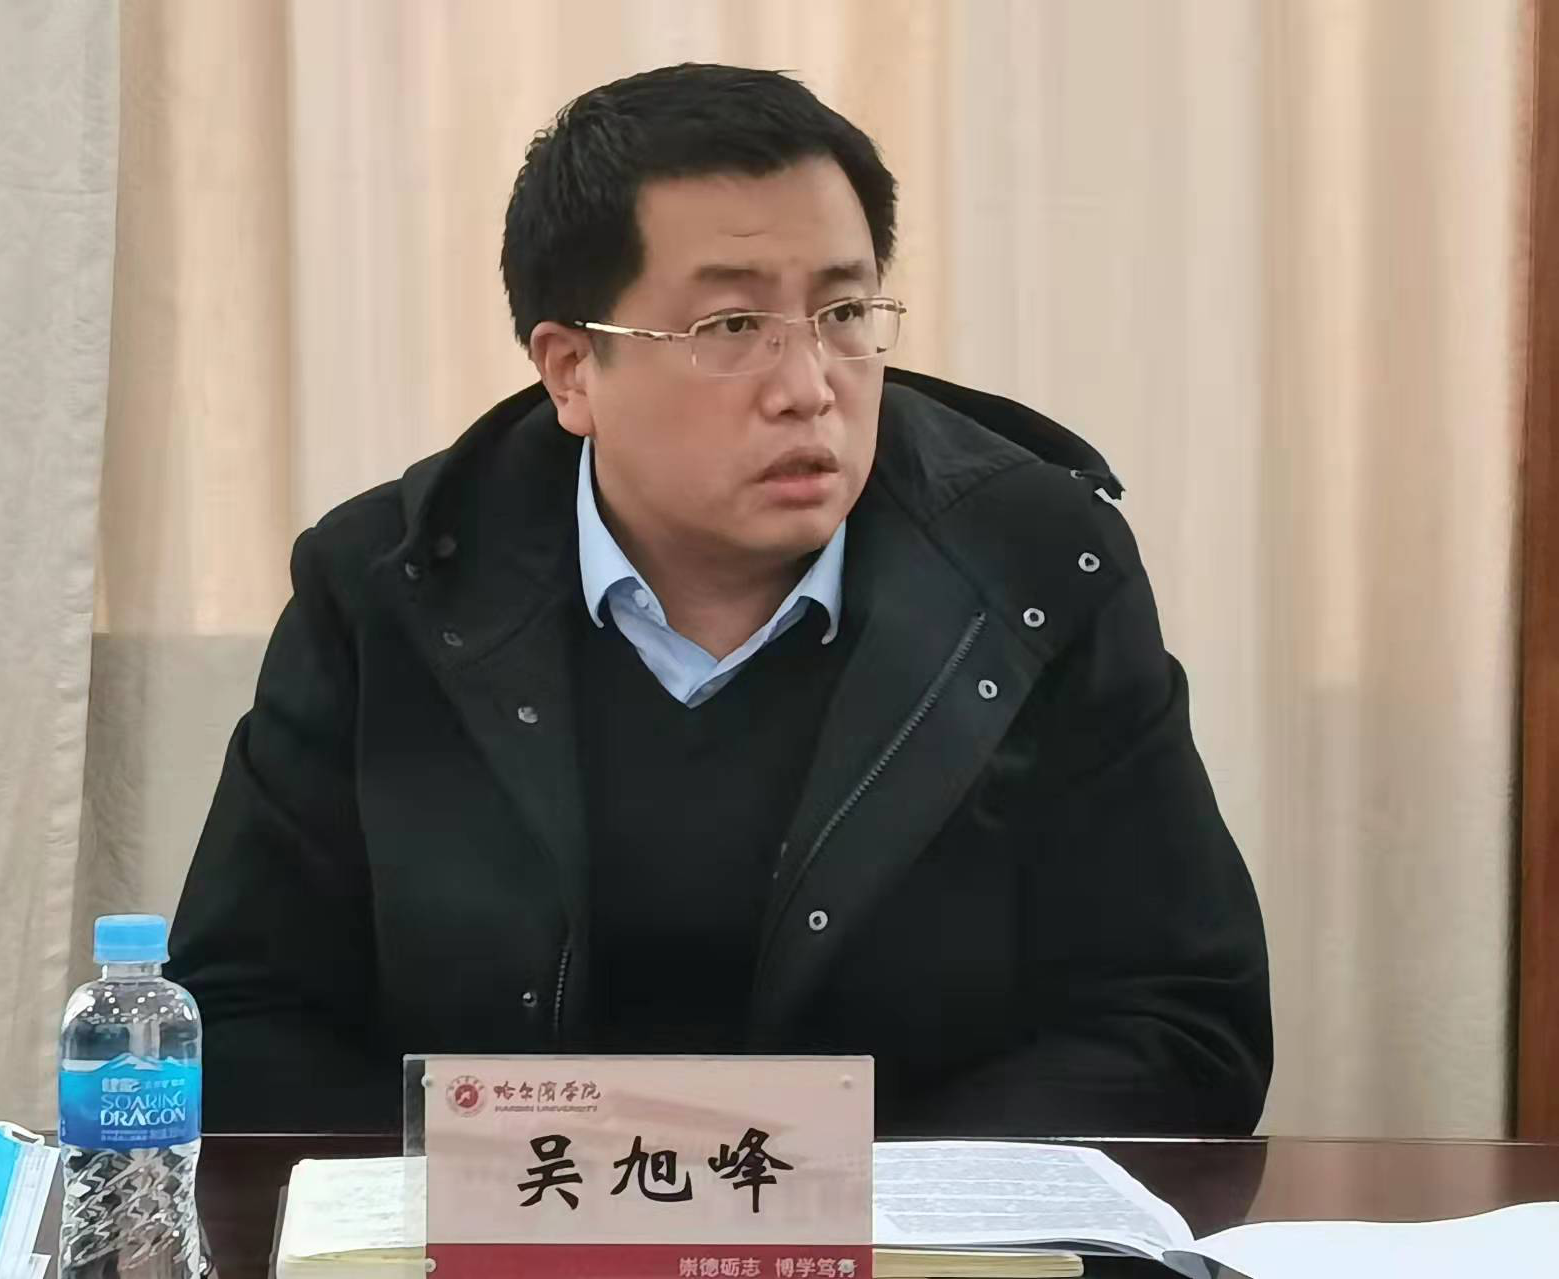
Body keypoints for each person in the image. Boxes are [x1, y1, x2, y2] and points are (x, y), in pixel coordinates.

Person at [167, 62, 1273, 1137]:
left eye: (845, 312)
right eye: (732, 328)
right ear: (571, 369)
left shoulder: (1036, 568)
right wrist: (489, 1193)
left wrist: (867, 1208)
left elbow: (1179, 1021)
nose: (809, 388)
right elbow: (245, 1012)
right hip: (501, 1226)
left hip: (911, 1238)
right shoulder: (387, 589)